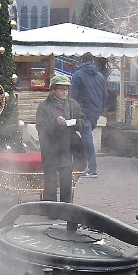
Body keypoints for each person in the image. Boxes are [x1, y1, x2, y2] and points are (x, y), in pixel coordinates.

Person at [35, 74, 85, 203]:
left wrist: (75, 122)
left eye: (67, 89)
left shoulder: (73, 105)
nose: (65, 91)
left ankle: (66, 209)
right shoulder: (44, 106)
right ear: (53, 90)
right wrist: (55, 122)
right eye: (61, 89)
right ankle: (50, 210)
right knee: (50, 182)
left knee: (66, 181)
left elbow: (83, 122)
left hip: (66, 148)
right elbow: (40, 127)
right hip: (50, 149)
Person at [69, 52, 105, 177]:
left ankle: (92, 169)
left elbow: (73, 95)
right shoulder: (100, 76)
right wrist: (100, 110)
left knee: (87, 140)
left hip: (83, 112)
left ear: (82, 61)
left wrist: (71, 111)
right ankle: (83, 165)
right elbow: (104, 95)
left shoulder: (78, 75)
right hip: (95, 112)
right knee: (86, 139)